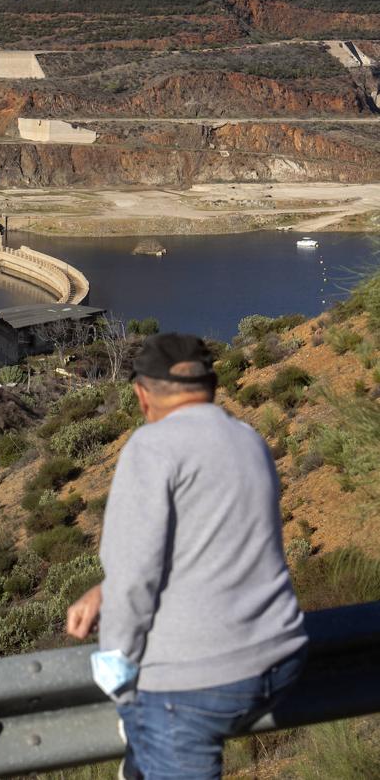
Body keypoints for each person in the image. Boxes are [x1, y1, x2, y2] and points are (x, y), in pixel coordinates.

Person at [67, 333, 308, 780]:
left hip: (196, 686)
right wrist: (106, 590)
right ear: (212, 386)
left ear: (141, 394)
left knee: (148, 711)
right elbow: (214, 544)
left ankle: (141, 730)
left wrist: (117, 673)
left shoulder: (150, 447)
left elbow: (135, 577)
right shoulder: (248, 438)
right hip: (281, 662)